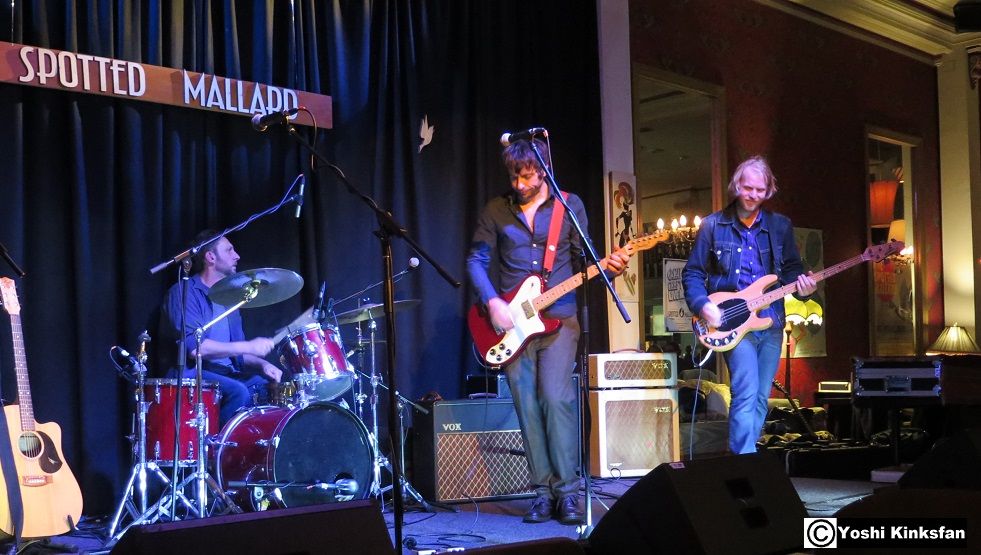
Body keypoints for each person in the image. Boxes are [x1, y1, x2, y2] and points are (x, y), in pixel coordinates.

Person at [466, 138, 628, 525]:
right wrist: (493, 302)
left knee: (556, 400)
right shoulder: (495, 209)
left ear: (544, 170)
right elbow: (475, 260)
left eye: (526, 176)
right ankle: (542, 492)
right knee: (527, 405)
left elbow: (585, 259)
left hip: (560, 319)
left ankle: (568, 492)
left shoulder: (569, 206)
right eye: (513, 177)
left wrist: (609, 267)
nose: (519, 184)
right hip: (512, 325)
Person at [682, 156, 816, 455]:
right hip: (732, 320)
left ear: (768, 191)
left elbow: (792, 270)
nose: (753, 195)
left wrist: (805, 290)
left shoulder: (780, 226)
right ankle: (745, 461)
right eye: (747, 188)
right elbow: (693, 272)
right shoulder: (713, 225)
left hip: (771, 320)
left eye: (760, 189)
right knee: (745, 391)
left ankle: (746, 456)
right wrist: (702, 305)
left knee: (760, 397)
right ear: (736, 186)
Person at [160, 230, 283, 426]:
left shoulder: (231, 300)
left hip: (226, 373)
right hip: (195, 373)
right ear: (211, 257)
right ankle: (219, 444)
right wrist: (249, 346)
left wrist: (262, 364)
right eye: (229, 250)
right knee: (239, 392)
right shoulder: (185, 293)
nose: (237, 256)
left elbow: (236, 353)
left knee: (265, 388)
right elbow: (196, 349)